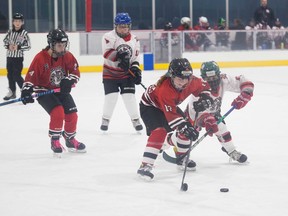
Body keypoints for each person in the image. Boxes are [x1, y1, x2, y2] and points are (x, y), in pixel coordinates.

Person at [165, 61, 254, 164]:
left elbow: (242, 81)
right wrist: (208, 121)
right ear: (203, 77)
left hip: (213, 112)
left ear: (218, 74)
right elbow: (197, 114)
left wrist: (245, 94)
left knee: (221, 128)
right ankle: (170, 147)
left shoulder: (224, 79)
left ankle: (231, 150)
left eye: (214, 77)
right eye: (208, 78)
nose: (212, 81)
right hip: (194, 116)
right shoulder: (198, 88)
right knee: (187, 134)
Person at [137, 58, 210, 180]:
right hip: (150, 107)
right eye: (179, 79)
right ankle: (145, 165)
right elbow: (172, 117)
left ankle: (181, 157)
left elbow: (205, 87)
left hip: (168, 106)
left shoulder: (192, 81)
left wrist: (204, 98)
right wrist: (183, 126)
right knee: (160, 131)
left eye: (186, 79)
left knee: (187, 128)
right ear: (171, 76)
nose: (183, 83)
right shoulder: (164, 90)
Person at [20, 28, 86, 156]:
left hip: (60, 91)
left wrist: (69, 80)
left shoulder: (67, 55)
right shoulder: (40, 58)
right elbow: (30, 77)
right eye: (59, 45)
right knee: (58, 112)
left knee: (72, 115)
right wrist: (26, 90)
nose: (62, 48)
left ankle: (70, 139)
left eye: (64, 45)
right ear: (51, 44)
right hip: (44, 91)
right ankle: (55, 140)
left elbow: (75, 72)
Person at [100, 12, 143, 132]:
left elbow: (135, 58)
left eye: (126, 26)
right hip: (110, 73)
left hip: (126, 74)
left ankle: (135, 120)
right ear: (115, 26)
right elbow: (106, 52)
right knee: (111, 97)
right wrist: (119, 57)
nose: (124, 29)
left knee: (129, 97)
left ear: (129, 26)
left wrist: (135, 69)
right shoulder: (108, 36)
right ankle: (105, 119)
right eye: (121, 26)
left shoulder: (135, 39)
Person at [3, 13, 31, 100]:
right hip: (9, 57)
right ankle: (12, 92)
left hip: (18, 58)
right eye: (15, 21)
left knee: (16, 75)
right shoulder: (10, 32)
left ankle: (26, 92)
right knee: (9, 75)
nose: (17, 23)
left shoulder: (24, 33)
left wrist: (18, 47)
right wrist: (8, 46)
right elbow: (5, 41)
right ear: (13, 22)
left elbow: (28, 46)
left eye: (19, 21)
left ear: (22, 22)